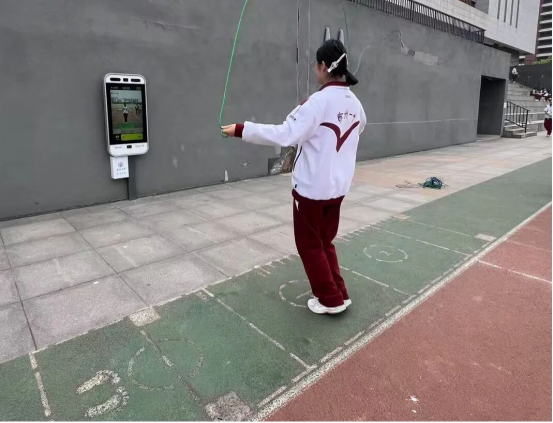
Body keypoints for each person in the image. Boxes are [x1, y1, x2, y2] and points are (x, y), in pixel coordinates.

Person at [222, 40, 366, 315]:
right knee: (324, 242)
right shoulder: (355, 104)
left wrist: (241, 129)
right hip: (338, 188)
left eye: (315, 64)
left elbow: (284, 134)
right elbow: (358, 130)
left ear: (323, 66)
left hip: (311, 190)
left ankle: (330, 299)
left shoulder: (318, 102)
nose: (315, 69)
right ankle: (340, 293)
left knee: (310, 245)